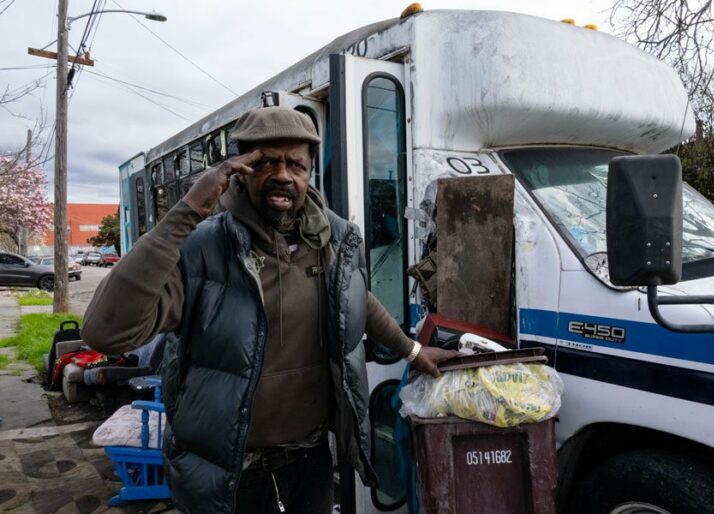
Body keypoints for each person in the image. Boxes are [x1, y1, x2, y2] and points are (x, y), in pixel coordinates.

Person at [82, 107, 457, 514]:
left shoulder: (334, 241)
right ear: (239, 170)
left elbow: (357, 300)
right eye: (266, 163)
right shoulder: (200, 249)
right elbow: (107, 333)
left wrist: (413, 352)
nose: (283, 175)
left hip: (309, 462)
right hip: (227, 474)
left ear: (309, 171)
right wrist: (187, 211)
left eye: (295, 164)